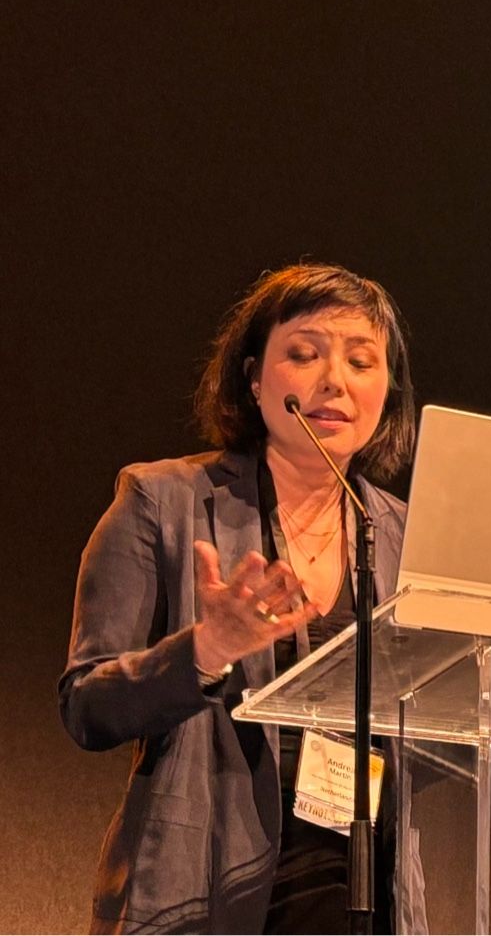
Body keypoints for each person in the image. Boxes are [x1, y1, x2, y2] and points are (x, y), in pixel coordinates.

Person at [61, 263, 426, 933]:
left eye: (361, 360)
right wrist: (206, 650)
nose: (333, 382)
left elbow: (429, 736)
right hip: (202, 889)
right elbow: (88, 706)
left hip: (359, 892)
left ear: (387, 391)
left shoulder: (405, 534)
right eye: (304, 354)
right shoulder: (160, 501)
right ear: (255, 378)